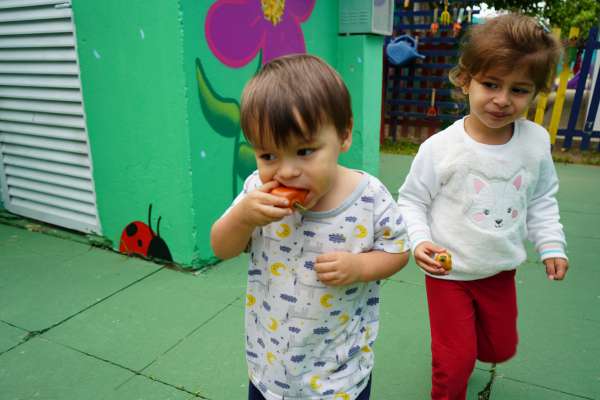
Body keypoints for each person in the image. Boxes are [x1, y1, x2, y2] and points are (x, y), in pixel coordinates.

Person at [210, 54, 410, 400]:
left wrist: (360, 266)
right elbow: (221, 247)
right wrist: (242, 216)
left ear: (344, 135)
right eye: (269, 156)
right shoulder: (257, 192)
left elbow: (398, 251)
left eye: (304, 151)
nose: (285, 172)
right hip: (270, 366)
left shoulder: (370, 198)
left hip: (340, 375)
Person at [396, 14, 569, 400]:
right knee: (455, 363)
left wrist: (551, 244)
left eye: (519, 90)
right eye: (490, 84)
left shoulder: (535, 142)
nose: (502, 99)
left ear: (536, 93)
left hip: (499, 269)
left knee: (499, 349)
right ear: (465, 80)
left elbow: (541, 198)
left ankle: (463, 347)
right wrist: (419, 241)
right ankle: (452, 360)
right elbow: (411, 199)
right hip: (449, 271)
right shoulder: (440, 148)